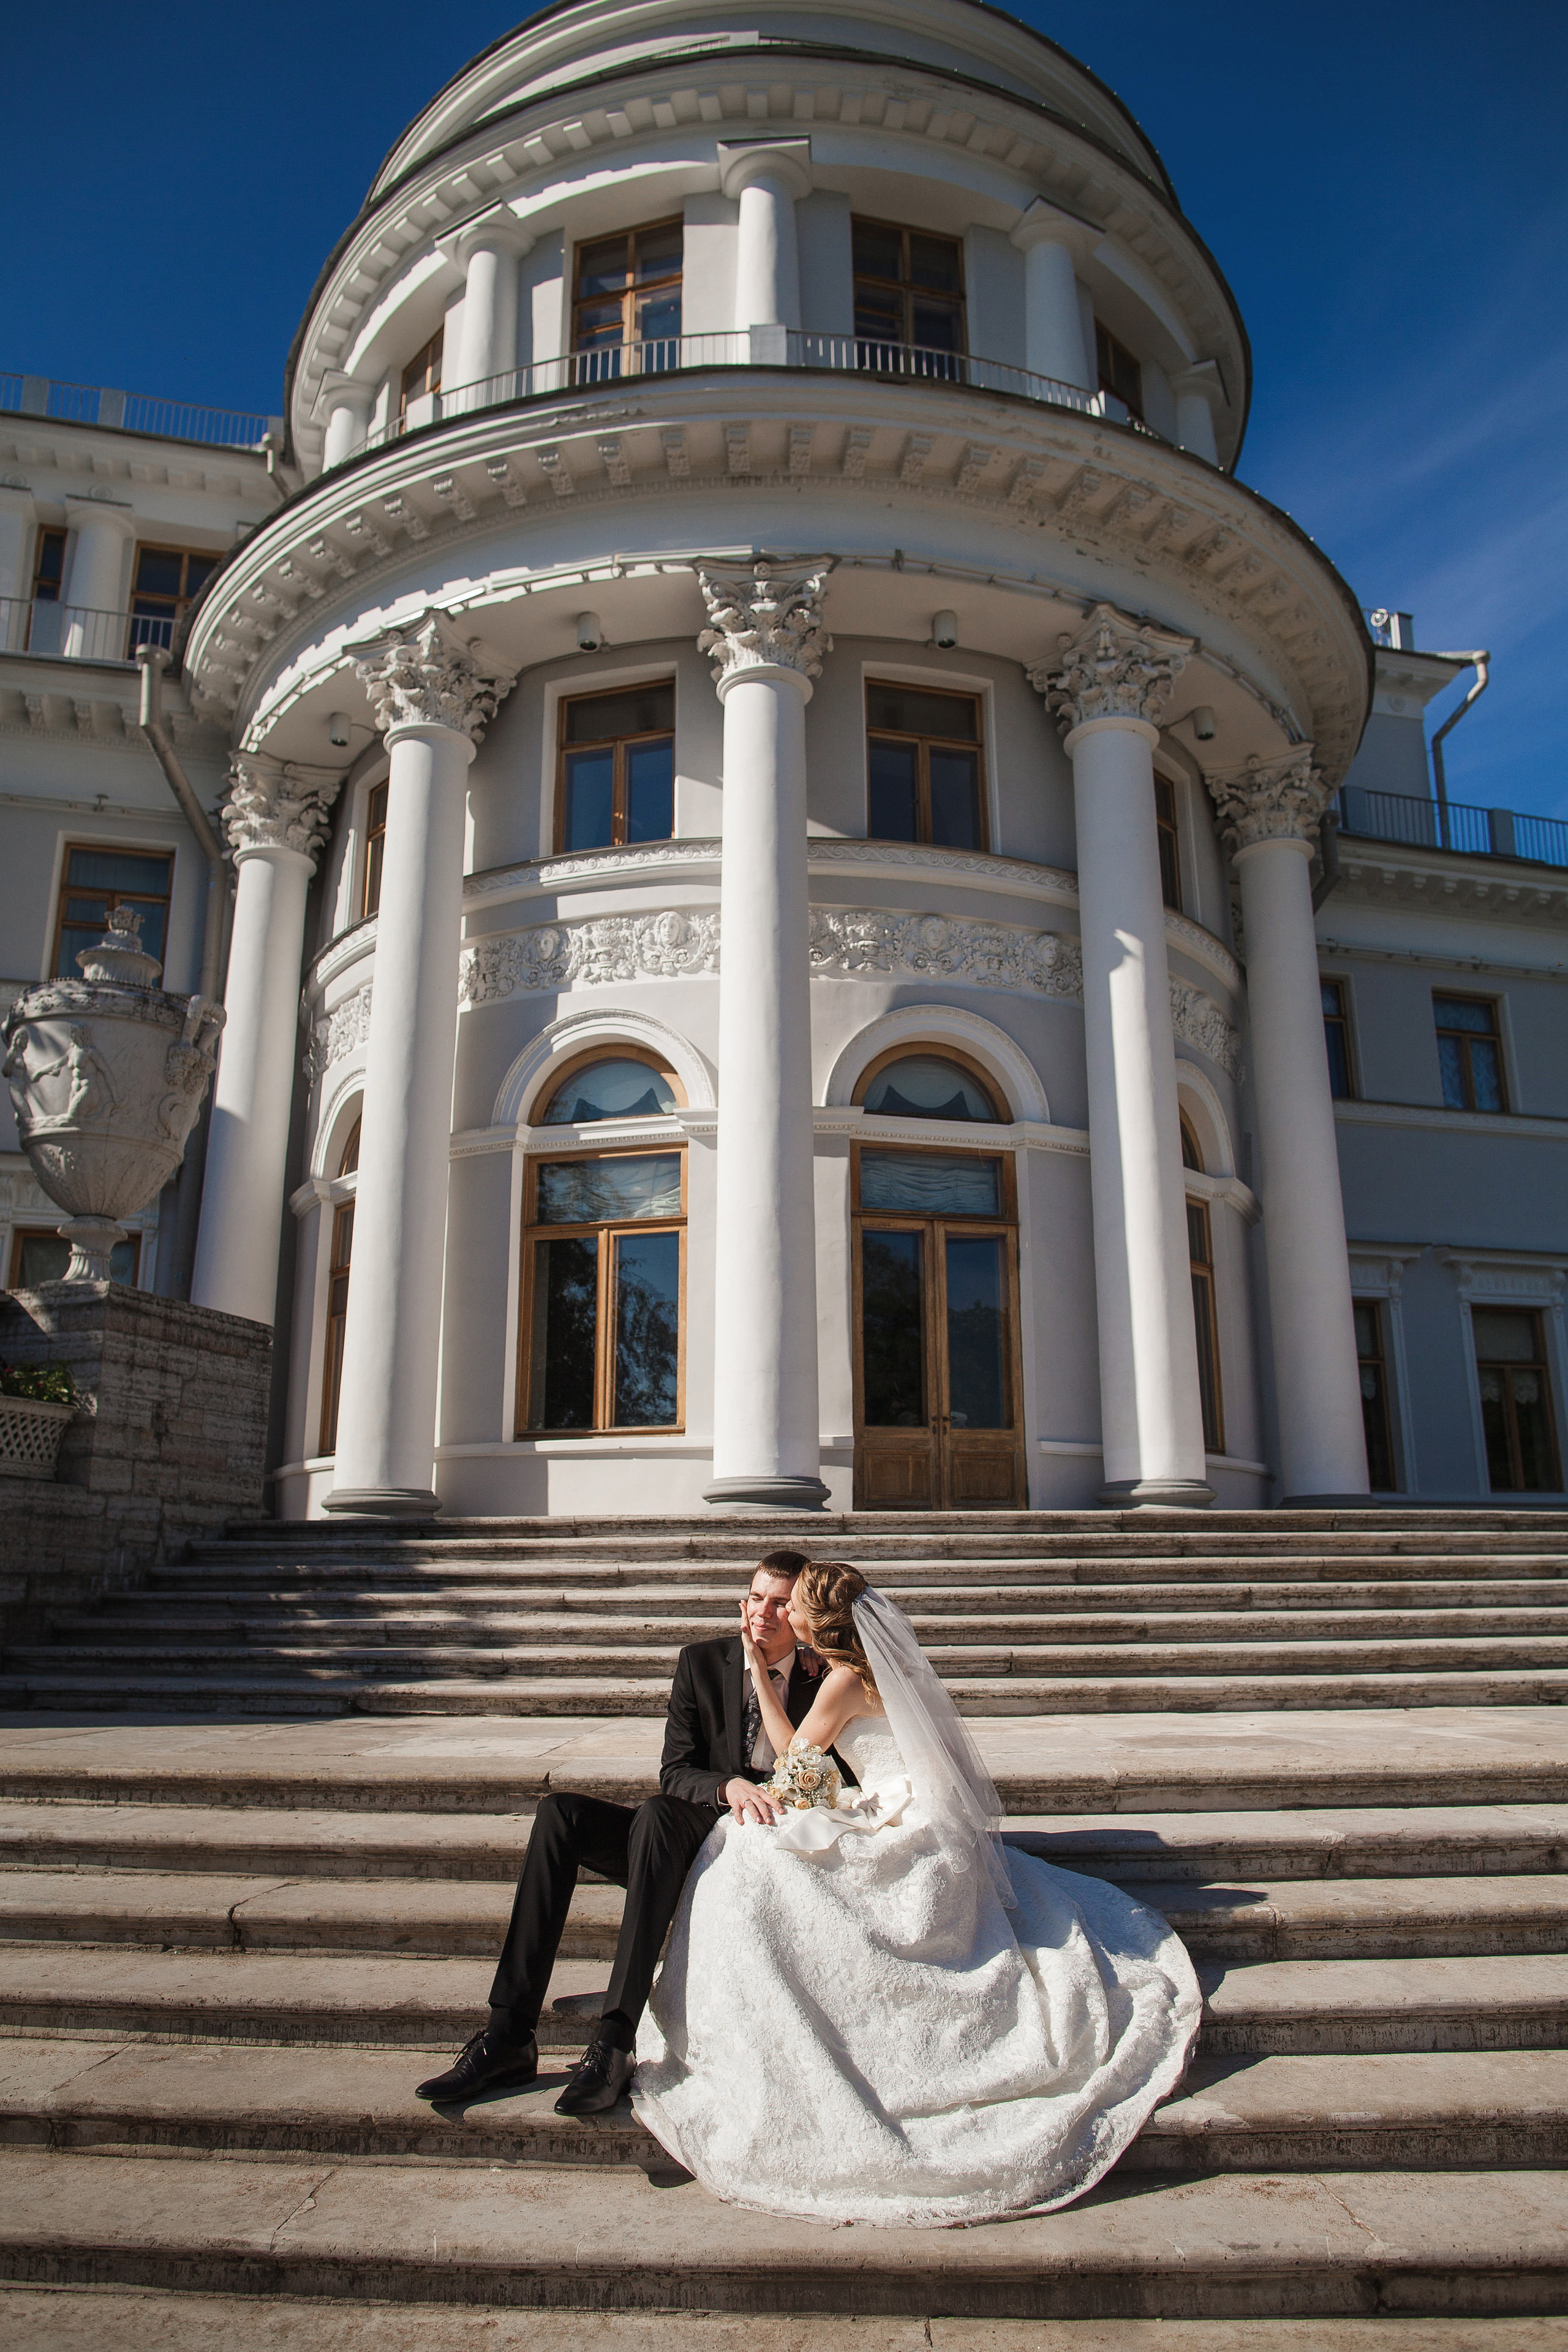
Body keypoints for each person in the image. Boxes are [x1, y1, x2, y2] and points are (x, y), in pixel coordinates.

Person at [632, 1562, 1202, 2227]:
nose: (777, 1616)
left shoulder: (841, 1681)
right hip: (919, 1819)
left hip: (901, 1830)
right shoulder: (881, 1669)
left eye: (791, 1609)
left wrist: (760, 1679)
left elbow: (792, 1771)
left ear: (817, 1622)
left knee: (750, 1855)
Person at [415, 1548, 826, 2114]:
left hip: (766, 1845)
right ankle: (509, 2034)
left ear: (802, 1614)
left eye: (781, 1604)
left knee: (655, 1814)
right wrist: (727, 1786)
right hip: (689, 1833)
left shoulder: (821, 1677)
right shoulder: (702, 1662)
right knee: (560, 1813)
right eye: (756, 1597)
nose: (763, 1613)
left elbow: (829, 1779)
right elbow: (677, 1770)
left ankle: (614, 2041)